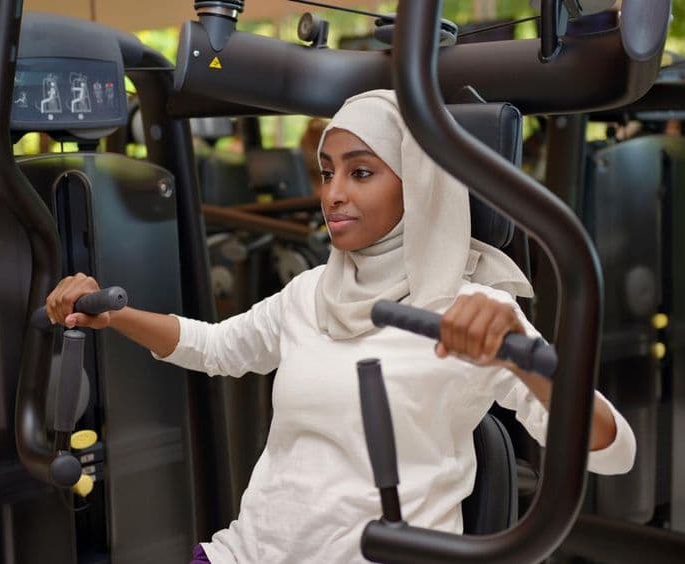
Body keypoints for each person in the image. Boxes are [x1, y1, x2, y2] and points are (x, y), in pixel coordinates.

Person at [45, 90, 636, 564]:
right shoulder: (310, 292)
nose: (333, 194)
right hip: (252, 552)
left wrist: (523, 361)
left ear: (417, 183)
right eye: (327, 173)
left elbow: (614, 452)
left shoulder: (475, 311)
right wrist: (115, 314)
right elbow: (217, 347)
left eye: (361, 173)